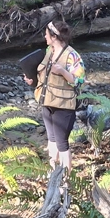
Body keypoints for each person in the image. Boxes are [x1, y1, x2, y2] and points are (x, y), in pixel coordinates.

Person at [23, 19, 85, 174]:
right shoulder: (48, 52)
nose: (44, 37)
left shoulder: (72, 56)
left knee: (62, 144)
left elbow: (79, 81)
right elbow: (44, 77)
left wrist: (63, 72)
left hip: (63, 107)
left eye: (46, 34)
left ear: (54, 37)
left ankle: (66, 180)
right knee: (51, 140)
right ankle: (53, 173)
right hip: (47, 102)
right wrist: (32, 81)